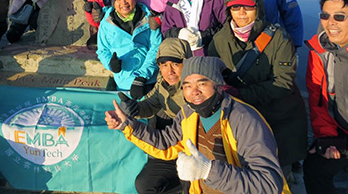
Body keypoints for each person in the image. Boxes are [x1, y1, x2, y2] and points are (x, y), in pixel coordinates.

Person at [105, 56, 288, 194]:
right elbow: (165, 144)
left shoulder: (244, 119)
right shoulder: (188, 113)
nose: (194, 92)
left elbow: (269, 184)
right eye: (187, 86)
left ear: (217, 85)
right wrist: (127, 125)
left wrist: (209, 171)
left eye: (202, 83)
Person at [207, 0, 307, 178]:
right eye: (235, 7)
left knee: (275, 178)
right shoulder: (220, 39)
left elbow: (283, 83)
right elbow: (211, 73)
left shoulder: (279, 38)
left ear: (258, 7)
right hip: (241, 122)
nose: (241, 12)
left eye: (248, 6)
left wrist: (240, 93)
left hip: (278, 119)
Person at [118, 38, 192, 194]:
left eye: (175, 64)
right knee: (144, 184)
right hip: (169, 146)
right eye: (164, 65)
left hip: (192, 149)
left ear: (186, 63)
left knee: (190, 187)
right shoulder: (162, 83)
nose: (169, 71)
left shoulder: (195, 87)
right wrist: (134, 109)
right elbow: (151, 104)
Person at [304, 0, 348, 194]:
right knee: (315, 167)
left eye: (339, 17)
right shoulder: (320, 51)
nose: (330, 23)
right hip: (340, 133)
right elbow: (318, 98)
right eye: (325, 15)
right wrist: (327, 138)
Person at [96, 0, 162, 98]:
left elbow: (156, 47)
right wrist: (110, 64)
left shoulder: (149, 18)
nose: (124, 3)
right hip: (124, 82)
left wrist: (142, 76)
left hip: (149, 80)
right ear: (113, 3)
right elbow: (102, 50)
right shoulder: (106, 24)